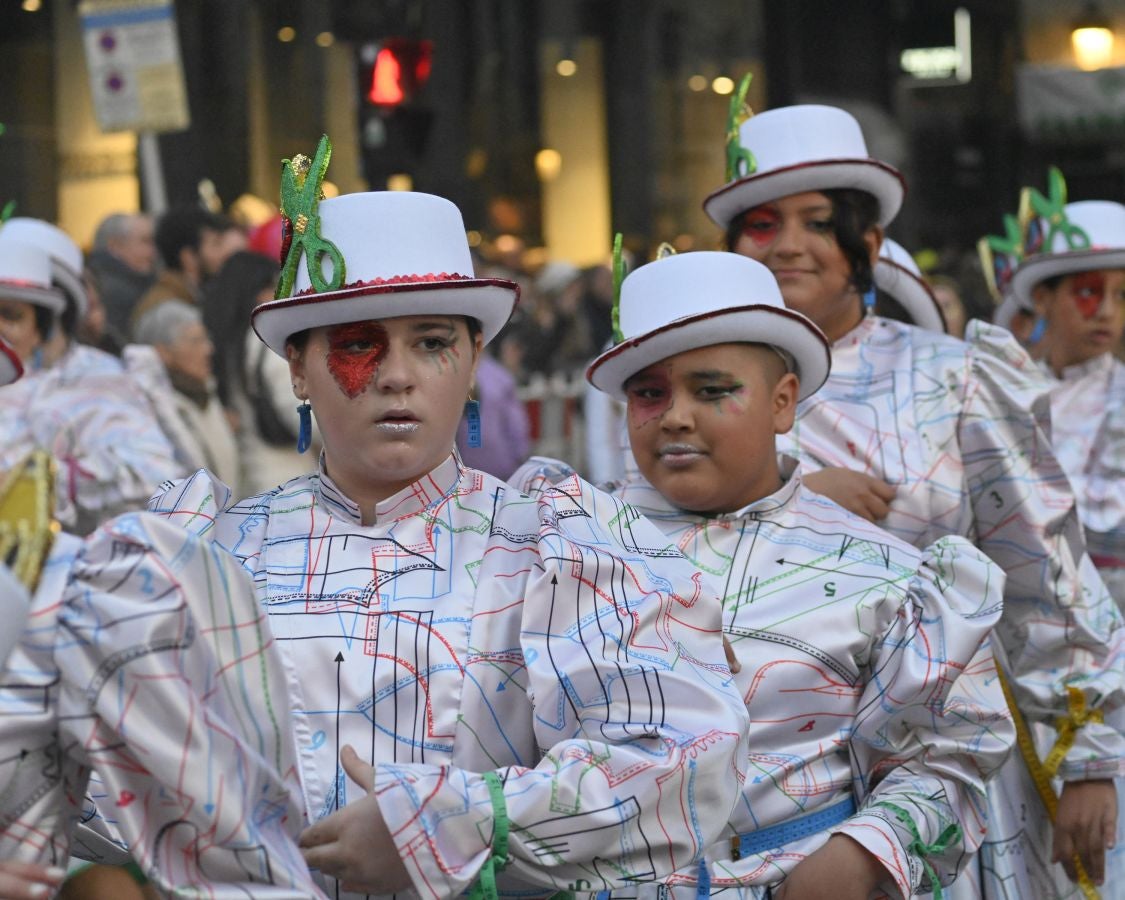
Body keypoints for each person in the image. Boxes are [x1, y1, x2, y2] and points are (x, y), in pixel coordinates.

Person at [144, 139, 748, 899]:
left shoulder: (550, 542)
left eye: (431, 343)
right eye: (358, 345)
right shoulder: (212, 555)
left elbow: (682, 756)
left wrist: (449, 825)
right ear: (297, 368)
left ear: (471, 366)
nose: (396, 375)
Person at [705, 101, 1125, 897]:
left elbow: (1043, 571)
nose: (789, 245)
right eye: (762, 224)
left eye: (817, 222)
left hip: (954, 771)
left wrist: (1090, 759)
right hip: (766, 787)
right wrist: (791, 499)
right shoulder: (696, 387)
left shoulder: (953, 375)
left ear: (866, 244)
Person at [521, 248, 1013, 898]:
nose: (675, 415)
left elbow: (947, 754)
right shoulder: (565, 546)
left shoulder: (878, 572)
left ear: (782, 403)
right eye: (649, 392)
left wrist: (862, 854)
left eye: (712, 388)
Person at [200, 249, 312, 492]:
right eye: (275, 284)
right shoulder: (269, 342)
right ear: (257, 290)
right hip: (288, 475)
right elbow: (298, 414)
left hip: (249, 474)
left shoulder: (226, 344)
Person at [130, 300, 240, 493]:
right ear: (163, 352)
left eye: (206, 339)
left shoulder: (206, 395)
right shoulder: (158, 413)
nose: (208, 349)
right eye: (196, 341)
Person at [129, 207, 233, 333]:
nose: (224, 253)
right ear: (188, 257)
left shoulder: (192, 296)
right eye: (215, 244)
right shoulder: (164, 312)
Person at [85, 212, 157, 342]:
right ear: (115, 246)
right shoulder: (112, 292)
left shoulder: (134, 284)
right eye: (145, 241)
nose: (153, 252)